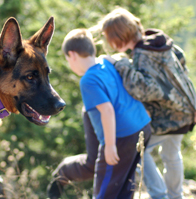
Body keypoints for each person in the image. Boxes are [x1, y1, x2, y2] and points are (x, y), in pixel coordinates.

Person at [98, 7, 196, 199]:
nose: (109, 43)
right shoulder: (159, 42)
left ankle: (159, 195)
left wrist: (120, 64)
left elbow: (146, 89)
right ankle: (175, 196)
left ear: (119, 36)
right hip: (183, 111)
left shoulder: (143, 54)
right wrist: (189, 103)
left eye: (110, 38)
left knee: (141, 151)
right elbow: (181, 61)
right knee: (172, 155)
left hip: (167, 117)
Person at [49, 28, 152, 199]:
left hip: (120, 138)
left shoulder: (88, 80)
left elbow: (107, 110)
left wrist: (110, 146)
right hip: (142, 127)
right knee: (124, 187)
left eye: (68, 59)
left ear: (72, 55)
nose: (69, 64)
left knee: (105, 192)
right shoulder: (106, 64)